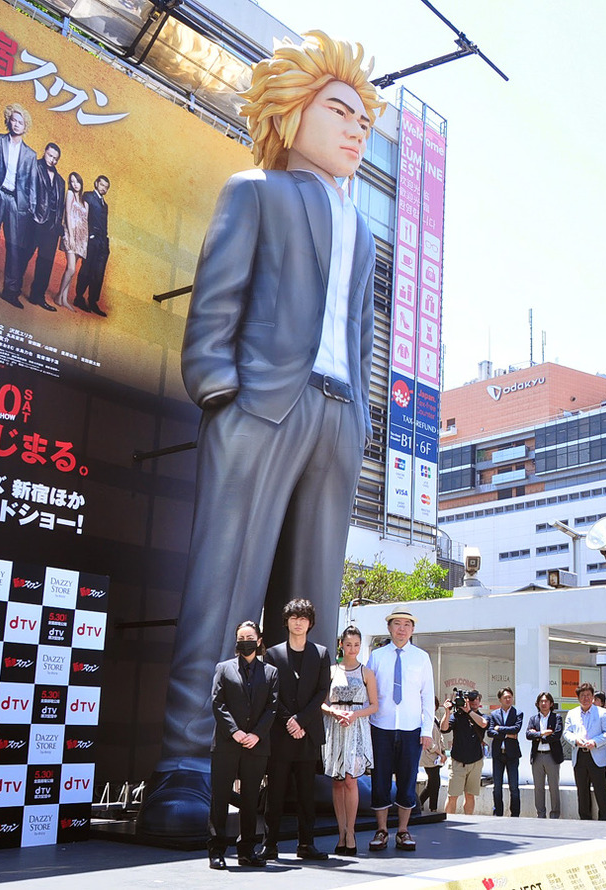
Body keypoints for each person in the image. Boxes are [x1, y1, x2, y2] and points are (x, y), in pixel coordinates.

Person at [137, 30, 385, 845]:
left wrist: (359, 419)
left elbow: (354, 329)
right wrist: (218, 385)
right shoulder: (257, 191)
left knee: (308, 605)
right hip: (261, 407)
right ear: (294, 111)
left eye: (365, 119)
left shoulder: (365, 232)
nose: (357, 129)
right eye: (340, 110)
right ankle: (185, 766)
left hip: (335, 414)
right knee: (227, 587)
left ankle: (294, 771)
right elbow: (219, 298)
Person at [261, 599, 330, 861]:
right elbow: (271, 692)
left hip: (307, 734)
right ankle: (269, 845)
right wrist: (289, 720)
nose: (298, 622)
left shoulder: (321, 653)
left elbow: (321, 691)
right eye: (294, 617)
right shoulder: (273, 654)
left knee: (306, 795)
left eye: (303, 618)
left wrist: (301, 720)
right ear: (287, 621)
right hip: (280, 734)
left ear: (310, 623)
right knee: (275, 793)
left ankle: (306, 845)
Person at [208, 620, 278, 870]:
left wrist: (256, 735)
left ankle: (247, 850)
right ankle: (216, 850)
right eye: (241, 637)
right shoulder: (223, 668)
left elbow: (272, 708)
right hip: (227, 743)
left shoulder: (270, 672)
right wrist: (235, 732)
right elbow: (218, 703)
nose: (245, 641)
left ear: (258, 641)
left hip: (256, 746)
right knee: (220, 797)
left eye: (250, 637)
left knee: (250, 799)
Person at [366, 608, 434, 853]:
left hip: (411, 729)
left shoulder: (422, 658)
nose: (402, 629)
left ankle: (403, 831)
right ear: (389, 628)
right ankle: (381, 831)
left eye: (407, 624)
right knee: (380, 782)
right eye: (397, 624)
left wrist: (427, 730)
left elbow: (428, 696)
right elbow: (368, 694)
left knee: (407, 783)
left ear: (413, 629)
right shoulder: (376, 656)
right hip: (380, 727)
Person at [321, 625, 378, 855]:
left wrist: (354, 715)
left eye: (356, 644)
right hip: (335, 728)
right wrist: (335, 713)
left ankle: (351, 831)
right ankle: (341, 831)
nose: (352, 649)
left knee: (350, 780)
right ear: (341, 645)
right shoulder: (331, 671)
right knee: (336, 781)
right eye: (348, 644)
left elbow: (374, 705)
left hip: (356, 729)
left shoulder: (366, 673)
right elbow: (322, 702)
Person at [0, 103, 37, 308]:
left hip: (17, 203)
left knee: (15, 248)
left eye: (20, 122)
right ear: (8, 121)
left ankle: (11, 292)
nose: (16, 124)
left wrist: (30, 208)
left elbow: (32, 185)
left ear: (25, 127)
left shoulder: (30, 155)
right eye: (13, 120)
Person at [23, 142, 65, 312]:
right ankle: (12, 289)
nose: (52, 160)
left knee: (45, 264)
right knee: (23, 254)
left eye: (55, 158)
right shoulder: (34, 167)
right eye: (50, 156)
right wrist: (29, 214)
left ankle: (37, 296)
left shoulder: (61, 181)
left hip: (52, 228)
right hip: (34, 221)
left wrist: (57, 227)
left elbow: (60, 206)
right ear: (44, 152)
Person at [563, 682, 606, 821]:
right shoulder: (572, 713)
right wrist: (575, 740)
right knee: (582, 791)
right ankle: (585, 820)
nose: (586, 698)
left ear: (592, 697)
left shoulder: (602, 712)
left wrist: (595, 742)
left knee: (601, 790)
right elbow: (566, 732)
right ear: (578, 698)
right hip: (579, 756)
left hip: (596, 755)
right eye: (583, 695)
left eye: (588, 695)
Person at [440, 689, 488, 815]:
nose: (474, 702)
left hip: (475, 762)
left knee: (470, 795)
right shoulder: (456, 717)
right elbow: (444, 729)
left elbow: (484, 724)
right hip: (458, 762)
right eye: (471, 699)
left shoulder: (481, 717)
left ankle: (469, 821)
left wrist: (469, 711)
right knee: (452, 796)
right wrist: (447, 711)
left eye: (477, 699)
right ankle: (449, 823)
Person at [74, 174, 110, 316]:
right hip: (91, 240)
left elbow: (104, 224)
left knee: (98, 274)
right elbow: (82, 216)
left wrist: (105, 240)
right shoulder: (88, 196)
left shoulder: (104, 204)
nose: (104, 189)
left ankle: (93, 301)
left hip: (102, 242)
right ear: (96, 183)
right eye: (102, 185)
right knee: (86, 270)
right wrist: (88, 235)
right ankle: (79, 297)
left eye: (106, 187)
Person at [525, 691, 563, 819]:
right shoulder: (533, 719)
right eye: (541, 701)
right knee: (538, 787)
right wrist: (542, 733)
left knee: (554, 787)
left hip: (552, 755)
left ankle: (555, 814)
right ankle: (540, 814)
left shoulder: (556, 717)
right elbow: (528, 735)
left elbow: (556, 735)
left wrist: (539, 736)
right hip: (537, 756)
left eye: (546, 701)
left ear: (551, 703)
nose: (543, 703)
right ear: (537, 703)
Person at [488, 686, 523, 817]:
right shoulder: (494, 714)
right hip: (498, 754)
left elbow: (516, 729)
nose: (508, 699)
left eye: (510, 697)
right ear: (500, 700)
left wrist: (500, 729)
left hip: (512, 754)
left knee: (514, 787)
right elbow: (490, 732)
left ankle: (515, 814)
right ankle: (498, 813)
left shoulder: (518, 713)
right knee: (497, 787)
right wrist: (507, 734)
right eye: (505, 697)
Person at [56, 171, 89, 310]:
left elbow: (85, 222)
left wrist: (83, 241)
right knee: (71, 268)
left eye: (77, 181)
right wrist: (69, 235)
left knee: (72, 270)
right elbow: (68, 214)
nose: (75, 184)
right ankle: (59, 296)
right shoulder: (70, 194)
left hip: (82, 238)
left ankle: (64, 298)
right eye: (72, 181)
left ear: (81, 183)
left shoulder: (85, 203)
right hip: (70, 234)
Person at [418, 696, 447, 813]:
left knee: (434, 783)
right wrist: (439, 752)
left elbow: (439, 736)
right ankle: (429, 807)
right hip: (429, 755)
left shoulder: (433, 718)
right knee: (434, 783)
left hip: (436, 755)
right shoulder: (424, 718)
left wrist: (443, 752)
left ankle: (427, 806)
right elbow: (428, 740)